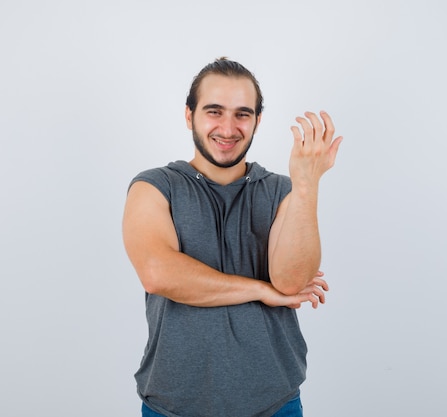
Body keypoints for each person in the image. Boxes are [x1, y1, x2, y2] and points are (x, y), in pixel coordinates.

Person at [122, 57, 342, 417]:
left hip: (275, 402)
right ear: (189, 115)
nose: (228, 127)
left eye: (242, 113)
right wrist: (260, 289)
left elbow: (290, 282)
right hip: (172, 404)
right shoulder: (154, 186)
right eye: (214, 111)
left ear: (257, 121)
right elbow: (158, 273)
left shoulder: (282, 191)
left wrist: (306, 185)